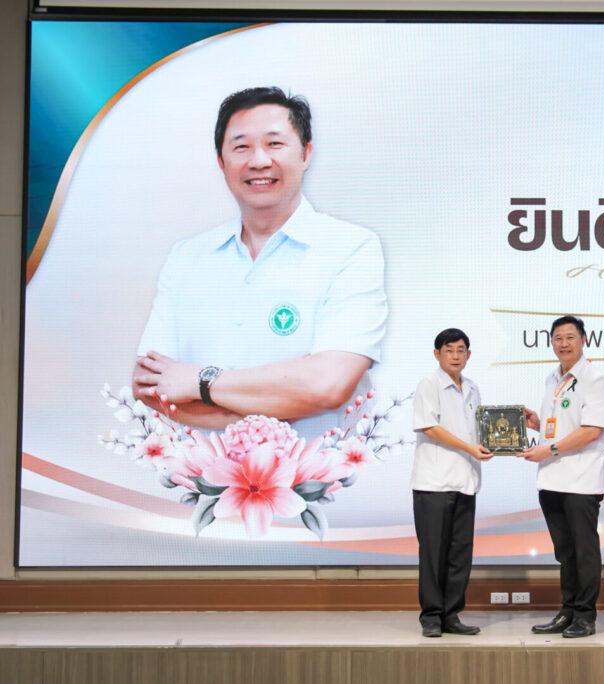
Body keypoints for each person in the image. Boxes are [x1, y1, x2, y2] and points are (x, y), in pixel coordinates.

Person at [131, 87, 386, 438]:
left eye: (274, 144)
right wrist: (283, 399)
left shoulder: (351, 248)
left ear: (306, 153)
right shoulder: (187, 257)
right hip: (204, 470)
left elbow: (327, 384)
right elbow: (149, 386)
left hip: (317, 470)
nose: (259, 161)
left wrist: (198, 380)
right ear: (221, 162)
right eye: (241, 147)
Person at [520, 315, 604, 638]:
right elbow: (560, 425)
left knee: (584, 551)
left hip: (581, 480)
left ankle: (585, 616)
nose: (564, 343)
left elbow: (591, 430)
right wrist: (536, 423)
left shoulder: (595, 379)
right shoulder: (552, 379)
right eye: (558, 338)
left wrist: (549, 450)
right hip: (551, 479)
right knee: (565, 552)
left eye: (570, 337)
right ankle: (568, 610)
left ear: (583, 340)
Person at [411, 328, 493, 637]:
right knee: (434, 553)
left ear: (468, 354)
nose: (456, 356)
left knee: (460, 553)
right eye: (449, 350)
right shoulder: (429, 384)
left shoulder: (472, 388)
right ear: (437, 354)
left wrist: (511, 427)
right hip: (434, 483)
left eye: (461, 350)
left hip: (466, 481)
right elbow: (429, 427)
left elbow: (480, 428)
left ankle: (451, 614)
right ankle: (431, 616)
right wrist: (469, 448)